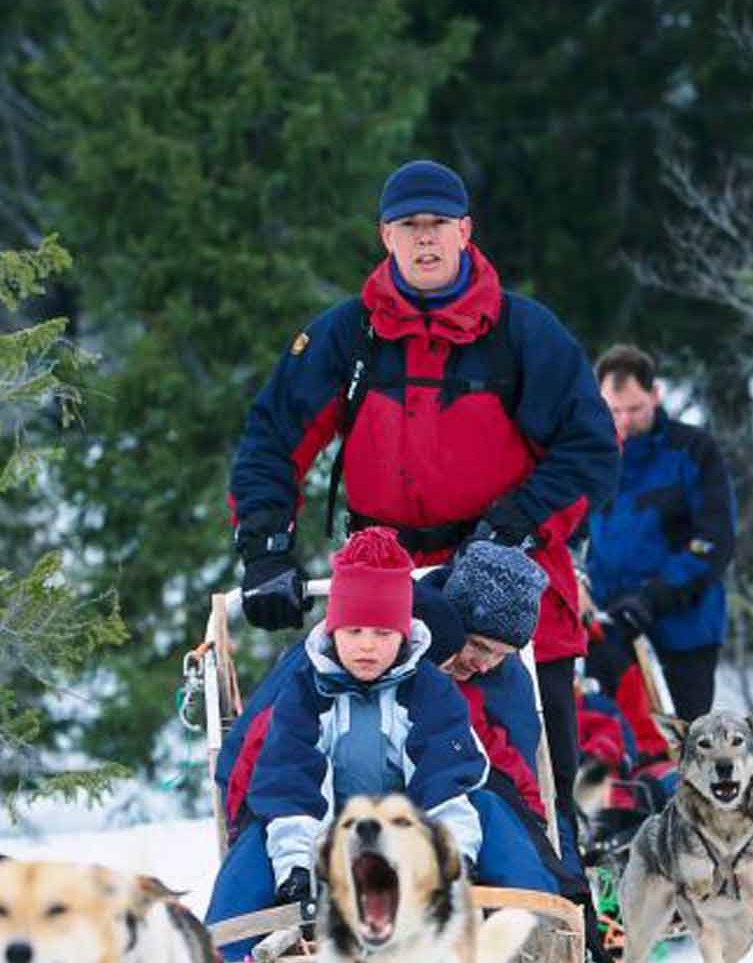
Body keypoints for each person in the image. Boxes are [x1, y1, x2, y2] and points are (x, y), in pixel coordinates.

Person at [227, 158, 618, 881]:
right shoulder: (350, 338)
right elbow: (271, 438)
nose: (426, 239)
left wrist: (512, 524)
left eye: (439, 224)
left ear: (466, 231)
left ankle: (571, 936)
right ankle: (313, 889)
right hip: (385, 580)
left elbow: (590, 450)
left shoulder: (523, 334)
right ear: (386, 237)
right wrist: (267, 545)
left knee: (544, 765)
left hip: (509, 572)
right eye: (410, 226)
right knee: (334, 741)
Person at [203, 530, 488, 959]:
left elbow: (444, 785)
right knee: (251, 858)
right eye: (353, 630)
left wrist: (451, 859)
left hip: (405, 843)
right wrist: (296, 869)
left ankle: (542, 949)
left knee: (494, 817)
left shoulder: (430, 690)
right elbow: (289, 786)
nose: (367, 645)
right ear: (333, 630)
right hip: (324, 840)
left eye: (382, 632)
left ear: (404, 633)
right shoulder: (304, 689)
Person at [583, 344, 737, 723]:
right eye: (613, 410)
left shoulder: (693, 450)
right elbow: (568, 529)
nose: (623, 422)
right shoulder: (591, 456)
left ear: (655, 395)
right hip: (609, 620)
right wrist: (577, 584)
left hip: (684, 619)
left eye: (634, 409)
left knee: (687, 732)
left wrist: (652, 598)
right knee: (609, 729)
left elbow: (713, 540)